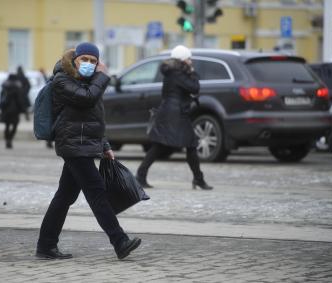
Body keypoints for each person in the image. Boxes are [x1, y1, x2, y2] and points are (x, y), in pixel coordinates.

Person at [36, 42, 141, 260]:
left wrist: (105, 146)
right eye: (85, 59)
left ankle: (45, 245)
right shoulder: (62, 79)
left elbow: (93, 118)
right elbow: (86, 98)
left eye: (94, 61)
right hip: (73, 145)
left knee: (65, 196)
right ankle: (119, 241)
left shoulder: (90, 82)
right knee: (96, 192)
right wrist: (103, 76)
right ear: (74, 59)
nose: (89, 64)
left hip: (82, 144)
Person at [136, 45, 213, 190]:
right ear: (183, 60)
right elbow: (194, 87)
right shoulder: (178, 73)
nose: (191, 61)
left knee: (162, 145)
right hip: (176, 114)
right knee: (188, 145)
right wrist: (193, 72)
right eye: (189, 59)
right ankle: (198, 179)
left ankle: (141, 175)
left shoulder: (172, 72)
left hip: (171, 113)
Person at [0, 74, 26, 149]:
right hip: (15, 110)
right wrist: (23, 109)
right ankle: (10, 139)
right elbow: (20, 100)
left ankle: (7, 140)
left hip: (6, 109)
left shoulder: (4, 87)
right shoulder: (17, 87)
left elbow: (1, 98)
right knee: (15, 126)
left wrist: (1, 107)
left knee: (7, 126)